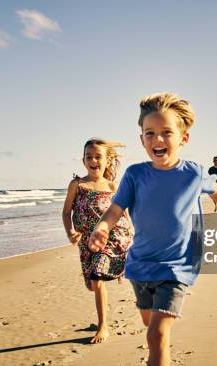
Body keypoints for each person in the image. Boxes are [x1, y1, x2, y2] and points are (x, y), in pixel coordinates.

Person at [88, 93, 217, 366]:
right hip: (140, 267)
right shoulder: (135, 175)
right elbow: (115, 209)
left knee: (157, 334)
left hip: (177, 267)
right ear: (142, 139)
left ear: (184, 138)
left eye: (166, 133)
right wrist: (102, 226)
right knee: (152, 330)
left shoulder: (193, 173)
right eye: (150, 133)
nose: (157, 139)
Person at [61, 138, 133, 344]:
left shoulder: (112, 186)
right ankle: (102, 316)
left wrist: (133, 233)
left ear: (107, 160)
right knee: (91, 285)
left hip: (111, 238)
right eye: (89, 157)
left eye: (98, 157)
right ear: (83, 160)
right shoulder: (77, 184)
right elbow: (66, 213)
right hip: (86, 243)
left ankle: (103, 326)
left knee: (97, 277)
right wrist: (70, 232)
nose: (93, 160)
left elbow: (124, 214)